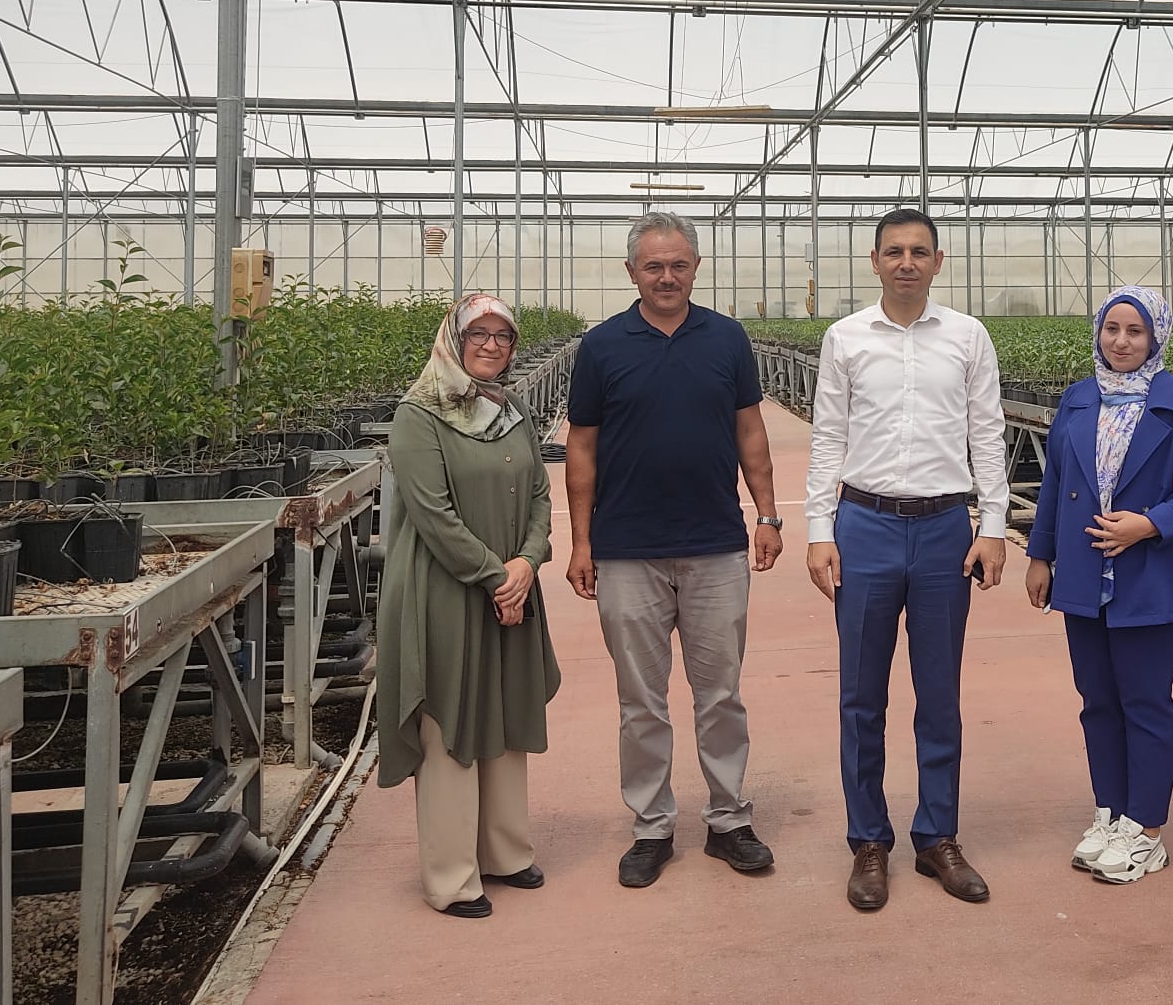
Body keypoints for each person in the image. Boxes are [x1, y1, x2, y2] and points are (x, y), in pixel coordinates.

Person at [565, 211, 782, 890]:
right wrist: (581, 541)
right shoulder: (601, 347)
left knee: (720, 694)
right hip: (628, 550)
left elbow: (751, 432)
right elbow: (581, 446)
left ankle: (728, 820)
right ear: (632, 272)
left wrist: (768, 515)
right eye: (653, 265)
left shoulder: (726, 339)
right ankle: (652, 826)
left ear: (695, 268)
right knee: (641, 700)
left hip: (715, 544)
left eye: (678, 264)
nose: (667, 275)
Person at [803, 208, 1009, 912]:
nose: (907, 262)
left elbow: (988, 432)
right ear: (875, 260)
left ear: (938, 261)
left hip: (946, 529)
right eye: (895, 251)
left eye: (920, 251)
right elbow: (827, 434)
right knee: (861, 694)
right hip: (864, 524)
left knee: (940, 692)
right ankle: (868, 841)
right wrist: (818, 528)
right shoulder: (846, 338)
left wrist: (994, 525)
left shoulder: (967, 337)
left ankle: (937, 837)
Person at [1025, 285, 1173, 885]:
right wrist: (1041, 555)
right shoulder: (1079, 400)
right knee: (1098, 703)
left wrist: (1149, 524)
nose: (1122, 342)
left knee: (1146, 703)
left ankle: (1147, 828)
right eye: (1112, 329)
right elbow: (1056, 482)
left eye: (1136, 331)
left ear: (1156, 336)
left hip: (1149, 576)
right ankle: (1110, 810)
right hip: (1086, 578)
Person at [377, 293, 560, 918]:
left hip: (509, 585)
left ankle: (505, 852)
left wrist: (527, 564)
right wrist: (496, 576)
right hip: (445, 591)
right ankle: (452, 874)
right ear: (453, 339)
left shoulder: (512, 410)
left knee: (504, 707)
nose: (490, 345)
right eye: (477, 334)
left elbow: (539, 494)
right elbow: (433, 515)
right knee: (450, 720)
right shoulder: (418, 413)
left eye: (503, 336)